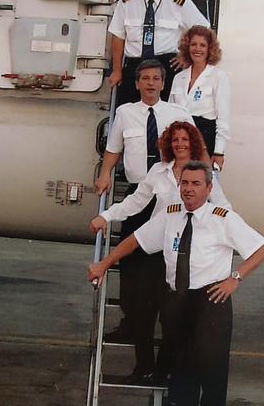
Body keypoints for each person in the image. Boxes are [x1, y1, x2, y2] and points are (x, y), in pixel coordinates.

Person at [88, 161, 264, 406]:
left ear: (209, 188)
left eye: (196, 184)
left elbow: (263, 247)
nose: (188, 189)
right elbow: (137, 240)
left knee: (212, 385)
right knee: (180, 384)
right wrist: (104, 264)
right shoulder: (171, 215)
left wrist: (234, 279)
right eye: (184, 183)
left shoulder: (222, 219)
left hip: (210, 304)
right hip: (178, 304)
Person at [90, 122, 231, 382]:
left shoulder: (203, 173)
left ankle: (164, 371)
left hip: (183, 255)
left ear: (193, 143)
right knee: (142, 312)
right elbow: (135, 202)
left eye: (185, 139)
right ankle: (143, 367)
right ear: (168, 143)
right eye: (175, 139)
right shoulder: (158, 170)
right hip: (156, 248)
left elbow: (224, 208)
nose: (180, 144)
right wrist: (106, 216)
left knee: (172, 317)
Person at [95, 59, 194, 351]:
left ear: (163, 84)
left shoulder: (178, 113)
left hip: (168, 193)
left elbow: (193, 148)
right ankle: (131, 323)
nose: (151, 83)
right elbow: (113, 149)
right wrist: (105, 174)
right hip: (140, 193)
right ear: (137, 83)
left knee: (165, 261)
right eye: (145, 78)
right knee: (131, 262)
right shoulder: (125, 113)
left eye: (156, 79)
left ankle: (166, 324)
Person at [108, 0, 209, 104]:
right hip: (134, 67)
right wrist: (117, 70)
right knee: (129, 113)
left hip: (166, 67)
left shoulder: (178, 2)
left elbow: (204, 31)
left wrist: (186, 55)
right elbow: (118, 36)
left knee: (167, 114)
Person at [169, 25, 231, 170]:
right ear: (187, 47)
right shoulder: (178, 78)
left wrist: (218, 152)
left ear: (210, 49)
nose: (197, 49)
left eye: (202, 45)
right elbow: (170, 113)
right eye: (193, 44)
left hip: (205, 138)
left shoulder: (218, 77)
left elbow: (223, 118)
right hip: (179, 141)